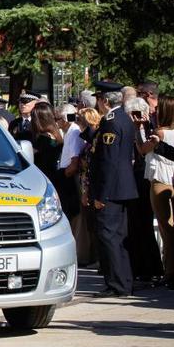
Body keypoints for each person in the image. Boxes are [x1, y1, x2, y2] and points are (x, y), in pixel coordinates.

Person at [89, 80, 138, 297]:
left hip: (112, 189)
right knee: (118, 236)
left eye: (99, 99)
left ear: (104, 101)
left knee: (108, 237)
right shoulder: (124, 119)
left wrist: (102, 195)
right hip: (123, 187)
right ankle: (124, 281)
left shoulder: (111, 122)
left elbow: (108, 162)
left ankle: (116, 283)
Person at [126, 96, 165, 283]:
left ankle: (152, 267)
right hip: (133, 179)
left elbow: (143, 150)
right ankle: (139, 267)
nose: (135, 117)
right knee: (135, 225)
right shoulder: (127, 128)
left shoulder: (152, 128)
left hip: (145, 179)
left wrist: (139, 128)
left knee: (145, 225)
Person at [142, 95, 174, 289]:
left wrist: (141, 129)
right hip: (171, 178)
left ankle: (169, 271)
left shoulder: (159, 132)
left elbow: (142, 149)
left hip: (161, 180)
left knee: (166, 228)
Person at [71, 108, 101, 266]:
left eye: (79, 119)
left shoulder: (93, 143)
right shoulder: (87, 140)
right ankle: (95, 256)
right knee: (90, 223)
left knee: (94, 223)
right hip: (85, 183)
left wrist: (86, 192)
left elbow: (88, 166)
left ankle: (97, 257)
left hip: (89, 185)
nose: (76, 122)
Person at [54, 104, 81, 221]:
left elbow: (74, 162)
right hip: (66, 175)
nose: (55, 122)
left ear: (64, 119)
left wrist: (62, 176)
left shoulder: (74, 132)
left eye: (57, 119)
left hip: (69, 179)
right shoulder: (68, 132)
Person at [29, 102, 63, 183]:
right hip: (55, 178)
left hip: (43, 180)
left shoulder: (43, 139)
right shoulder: (56, 135)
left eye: (33, 118)